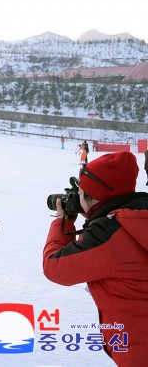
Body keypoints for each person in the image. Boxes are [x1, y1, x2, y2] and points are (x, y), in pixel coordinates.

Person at [43, 151, 148, 366]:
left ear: (94, 197)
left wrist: (61, 221)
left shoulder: (108, 232)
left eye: (81, 193)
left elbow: (54, 266)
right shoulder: (138, 216)